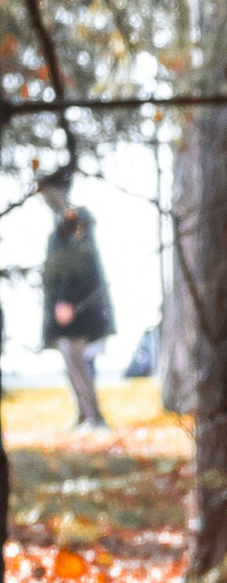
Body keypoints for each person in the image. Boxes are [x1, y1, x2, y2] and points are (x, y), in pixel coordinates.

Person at [36, 167, 112, 436]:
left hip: (77, 307)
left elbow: (78, 264)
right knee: (70, 361)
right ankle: (83, 414)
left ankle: (95, 416)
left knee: (78, 362)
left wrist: (67, 300)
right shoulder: (60, 223)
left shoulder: (76, 220)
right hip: (62, 306)